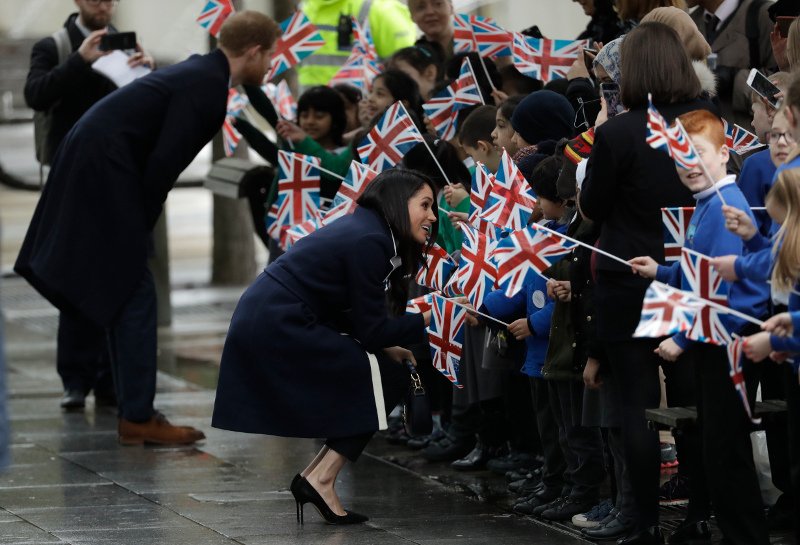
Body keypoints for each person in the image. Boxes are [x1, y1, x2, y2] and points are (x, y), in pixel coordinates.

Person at [14, 11, 281, 446]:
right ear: (253, 52)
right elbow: (163, 165)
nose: (270, 66)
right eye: (269, 56)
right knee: (136, 289)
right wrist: (139, 228)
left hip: (95, 160)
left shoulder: (201, 72)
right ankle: (137, 415)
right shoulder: (208, 88)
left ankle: (130, 405)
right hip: (105, 169)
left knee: (126, 289)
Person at [212, 169, 440, 524]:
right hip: (278, 323)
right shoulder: (372, 239)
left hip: (272, 317)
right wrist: (431, 317)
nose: (433, 216)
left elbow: (357, 319)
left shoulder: (370, 230)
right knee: (389, 377)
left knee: (385, 371)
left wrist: (388, 345)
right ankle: (320, 480)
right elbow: (372, 331)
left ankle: (315, 477)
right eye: (425, 205)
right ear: (399, 202)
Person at [578, 22, 715, 544]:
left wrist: (600, 132)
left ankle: (646, 522)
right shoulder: (708, 120)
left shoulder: (618, 132)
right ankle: (700, 514)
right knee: (691, 400)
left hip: (627, 277)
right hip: (689, 273)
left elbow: (592, 207)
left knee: (637, 406)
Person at [630, 109, 770, 545]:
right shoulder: (708, 203)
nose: (688, 164)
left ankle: (747, 538)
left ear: (724, 154)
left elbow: (723, 296)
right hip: (716, 342)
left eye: (698, 153)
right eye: (680, 156)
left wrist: (682, 339)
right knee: (718, 449)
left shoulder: (726, 207)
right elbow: (698, 273)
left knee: (726, 453)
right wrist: (660, 271)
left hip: (730, 344)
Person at [23, 0, 153, 411]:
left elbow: (144, 109)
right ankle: (75, 379)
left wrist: (146, 75)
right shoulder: (55, 46)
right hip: (71, 180)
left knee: (117, 277)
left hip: (119, 179)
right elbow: (35, 94)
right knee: (74, 274)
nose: (104, 5)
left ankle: (110, 380)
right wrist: (79, 61)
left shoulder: (126, 45)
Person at [688, 0, 777, 128]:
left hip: (749, 137)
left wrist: (735, 79)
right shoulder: (688, 22)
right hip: (701, 135)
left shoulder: (764, 15)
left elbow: (781, 94)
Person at [297, 0, 417, 87]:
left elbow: (404, 75)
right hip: (311, 109)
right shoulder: (304, 9)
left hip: (363, 110)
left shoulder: (382, 9)